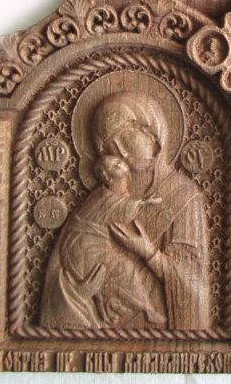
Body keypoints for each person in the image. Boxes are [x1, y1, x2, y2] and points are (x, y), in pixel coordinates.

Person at [40, 91, 209, 330]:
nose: (120, 150)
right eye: (109, 145)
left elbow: (194, 288)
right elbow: (62, 269)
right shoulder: (101, 199)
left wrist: (148, 253)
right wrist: (82, 294)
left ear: (153, 132)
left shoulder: (182, 197)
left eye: (127, 134)